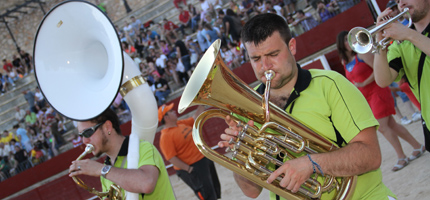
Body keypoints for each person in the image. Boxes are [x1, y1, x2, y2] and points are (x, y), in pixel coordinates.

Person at [218, 13, 395, 199]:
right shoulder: (247, 105)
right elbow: (251, 191)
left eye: (273, 54)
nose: (265, 66)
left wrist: (312, 164)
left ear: (292, 47)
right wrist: (241, 152)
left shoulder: (330, 85)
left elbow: (371, 155)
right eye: (256, 59)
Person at [337, 31, 425, 171]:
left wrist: (364, 82)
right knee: (392, 124)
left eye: (350, 40)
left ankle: (401, 156)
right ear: (341, 45)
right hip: (365, 97)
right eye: (345, 41)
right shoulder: (345, 62)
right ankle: (417, 146)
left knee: (383, 127)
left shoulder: (362, 55)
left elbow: (378, 69)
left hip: (378, 91)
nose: (348, 43)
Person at [68, 108, 175, 199]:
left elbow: (147, 183)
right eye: (81, 135)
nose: (84, 141)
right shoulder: (105, 171)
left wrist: (101, 169)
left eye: (87, 132)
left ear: (107, 127)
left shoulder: (143, 148)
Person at [373, 0, 430, 152]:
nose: (401, 3)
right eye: (398, 1)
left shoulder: (406, 36)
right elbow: (383, 80)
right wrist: (379, 42)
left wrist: (409, 34)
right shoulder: (400, 44)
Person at [159, 103, 221, 200]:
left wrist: (202, 104)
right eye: (170, 111)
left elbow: (196, 117)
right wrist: (188, 169)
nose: (174, 111)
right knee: (207, 195)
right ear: (166, 118)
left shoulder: (180, 123)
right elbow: (171, 158)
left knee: (214, 190)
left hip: (203, 160)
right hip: (193, 166)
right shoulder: (165, 136)